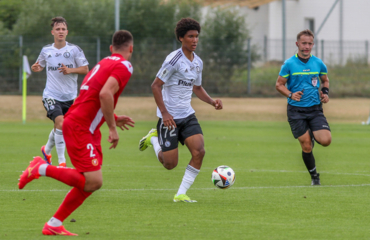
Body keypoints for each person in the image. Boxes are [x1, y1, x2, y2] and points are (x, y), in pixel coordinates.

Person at [18, 30, 135, 236]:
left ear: (110, 48)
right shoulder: (124, 65)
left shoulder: (103, 63)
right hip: (81, 127)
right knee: (93, 181)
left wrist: (113, 118)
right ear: (131, 48)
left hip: (85, 126)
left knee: (90, 183)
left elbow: (90, 98)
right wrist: (113, 128)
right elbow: (105, 94)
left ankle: (54, 224)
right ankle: (40, 167)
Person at [139, 18, 223, 202]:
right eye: (190, 36)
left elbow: (197, 88)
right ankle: (154, 139)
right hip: (169, 118)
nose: (194, 40)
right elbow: (155, 86)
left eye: (197, 37)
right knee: (170, 164)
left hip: (187, 115)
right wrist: (165, 113)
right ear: (181, 38)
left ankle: (180, 194)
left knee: (199, 152)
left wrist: (211, 102)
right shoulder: (173, 60)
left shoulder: (198, 63)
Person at [275, 29, 332, 185]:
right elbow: (279, 85)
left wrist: (325, 92)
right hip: (296, 111)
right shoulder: (289, 64)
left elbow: (325, 81)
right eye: (303, 43)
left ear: (313, 45)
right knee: (306, 146)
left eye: (309, 43)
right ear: (297, 44)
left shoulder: (318, 63)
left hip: (314, 109)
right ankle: (315, 177)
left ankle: (312, 133)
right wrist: (290, 94)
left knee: (326, 140)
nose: (306, 46)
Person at [31, 16, 89, 167]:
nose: (60, 31)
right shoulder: (46, 50)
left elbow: (85, 69)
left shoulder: (74, 50)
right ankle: (62, 162)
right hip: (51, 95)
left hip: (70, 97)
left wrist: (70, 70)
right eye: (58, 29)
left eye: (63, 29)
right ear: (53, 32)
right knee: (61, 123)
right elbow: (39, 65)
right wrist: (35, 68)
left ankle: (46, 149)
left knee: (61, 127)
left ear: (67, 32)